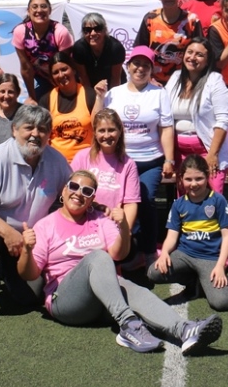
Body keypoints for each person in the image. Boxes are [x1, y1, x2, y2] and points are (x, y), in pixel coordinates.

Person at [20, 170, 223, 355]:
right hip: (67, 303)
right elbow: (29, 275)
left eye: (87, 190)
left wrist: (123, 225)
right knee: (98, 257)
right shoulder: (45, 225)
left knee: (136, 289)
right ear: (63, 192)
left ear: (92, 199)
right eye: (73, 187)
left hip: (104, 299)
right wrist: (27, 251)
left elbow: (118, 254)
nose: (78, 193)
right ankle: (128, 325)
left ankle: (185, 330)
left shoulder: (99, 219)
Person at [0, 105, 73, 323]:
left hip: (26, 240)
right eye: (29, 128)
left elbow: (70, 196)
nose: (35, 134)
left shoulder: (57, 161)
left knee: (31, 296)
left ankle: (1, 268)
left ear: (49, 134)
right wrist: (7, 234)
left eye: (42, 129)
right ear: (14, 130)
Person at [104, 46, 176, 263]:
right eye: (136, 63)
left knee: (147, 199)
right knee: (122, 202)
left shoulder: (159, 94)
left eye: (146, 65)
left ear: (152, 69)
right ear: (128, 67)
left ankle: (148, 248)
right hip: (121, 160)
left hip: (151, 160)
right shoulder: (113, 94)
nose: (140, 68)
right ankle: (126, 248)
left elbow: (166, 128)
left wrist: (169, 159)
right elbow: (101, 123)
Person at [148, 155, 228, 312]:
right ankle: (192, 280)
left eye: (199, 178)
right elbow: (172, 236)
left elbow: (227, 236)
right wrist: (165, 254)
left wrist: (220, 265)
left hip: (210, 258)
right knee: (154, 272)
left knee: (222, 303)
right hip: (185, 255)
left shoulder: (217, 200)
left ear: (207, 176)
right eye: (188, 179)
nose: (194, 184)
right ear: (181, 179)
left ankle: (226, 283)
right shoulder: (179, 204)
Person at [165, 38, 228, 194]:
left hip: (209, 150)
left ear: (208, 60)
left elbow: (223, 119)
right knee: (185, 198)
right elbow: (163, 112)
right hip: (180, 153)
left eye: (199, 55)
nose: (192, 57)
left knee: (213, 196)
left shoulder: (215, 80)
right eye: (189, 52)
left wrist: (213, 154)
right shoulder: (175, 78)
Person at [71, 109, 140, 240]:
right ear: (95, 133)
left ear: (120, 131)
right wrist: (94, 205)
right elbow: (71, 192)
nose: (107, 135)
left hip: (111, 227)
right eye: (102, 130)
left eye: (111, 130)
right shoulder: (82, 157)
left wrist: (125, 231)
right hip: (83, 222)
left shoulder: (128, 164)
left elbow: (131, 203)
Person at [135, 0, 203, 85]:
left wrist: (193, 79)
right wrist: (148, 79)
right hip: (154, 81)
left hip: (184, 81)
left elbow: (201, 52)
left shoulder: (192, 20)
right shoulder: (150, 18)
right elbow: (139, 51)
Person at [40, 52, 105, 163]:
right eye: (56, 72)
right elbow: (42, 136)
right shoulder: (46, 100)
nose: (61, 75)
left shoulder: (89, 95)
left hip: (87, 162)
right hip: (57, 163)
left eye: (64, 69)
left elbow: (100, 128)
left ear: (74, 70)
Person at [13, 0, 73, 102]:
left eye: (43, 6)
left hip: (61, 77)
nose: (39, 10)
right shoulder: (20, 31)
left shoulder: (60, 32)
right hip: (39, 78)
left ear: (50, 10)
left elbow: (65, 68)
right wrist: (32, 97)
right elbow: (26, 68)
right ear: (28, 11)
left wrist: (65, 93)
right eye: (34, 7)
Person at [70, 12, 126, 89]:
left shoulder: (115, 48)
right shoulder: (79, 48)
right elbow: (83, 77)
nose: (92, 33)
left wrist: (111, 99)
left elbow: (115, 78)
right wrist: (91, 97)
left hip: (113, 84)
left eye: (97, 29)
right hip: (90, 84)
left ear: (104, 30)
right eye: (87, 30)